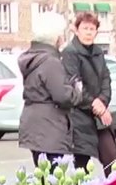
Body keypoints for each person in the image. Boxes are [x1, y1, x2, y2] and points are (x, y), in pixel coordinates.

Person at [18, 13, 84, 166]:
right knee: (54, 179)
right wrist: (77, 91)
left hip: (34, 124)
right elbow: (63, 96)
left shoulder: (33, 57)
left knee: (42, 174)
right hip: (50, 127)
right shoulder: (50, 61)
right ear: (56, 38)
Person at [61, 13, 115, 173]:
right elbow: (75, 83)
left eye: (92, 29)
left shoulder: (98, 52)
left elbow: (106, 79)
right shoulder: (70, 52)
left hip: (99, 115)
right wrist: (94, 104)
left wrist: (103, 101)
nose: (89, 32)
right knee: (82, 166)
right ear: (76, 30)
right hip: (79, 116)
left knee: (112, 159)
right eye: (85, 28)